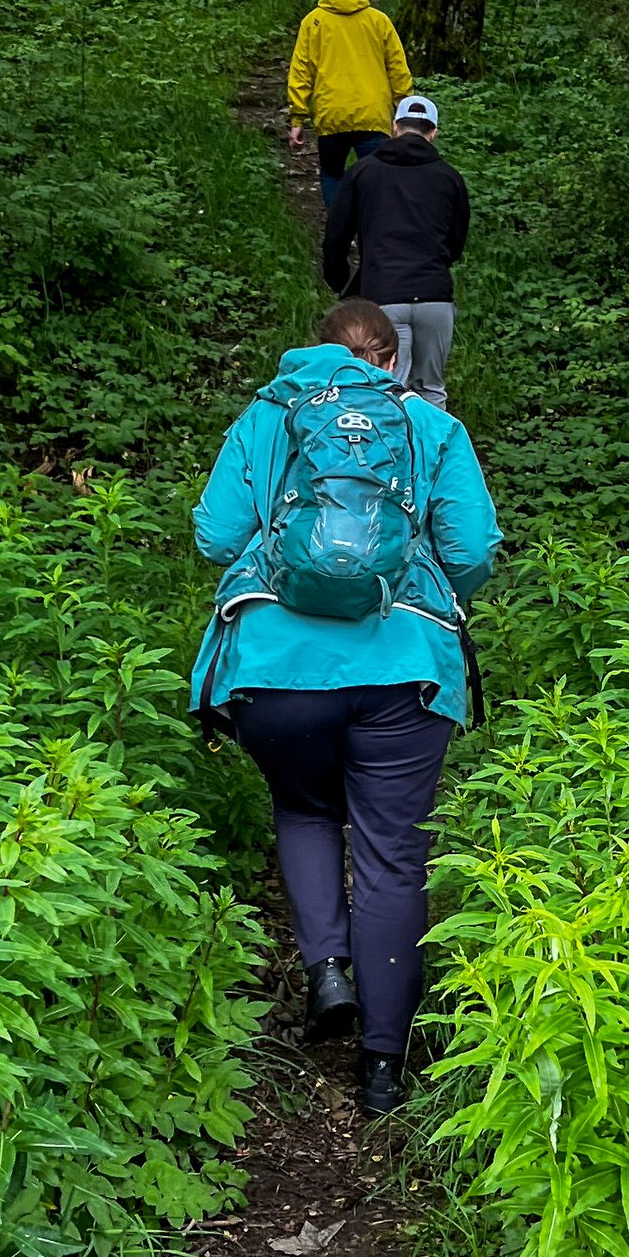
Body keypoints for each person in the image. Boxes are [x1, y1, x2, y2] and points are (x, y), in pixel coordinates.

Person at [190, 299, 500, 1118]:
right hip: (404, 669)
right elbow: (471, 549)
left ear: (313, 352)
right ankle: (384, 1067)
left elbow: (219, 536)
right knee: (394, 852)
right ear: (394, 362)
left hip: (274, 671)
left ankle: (328, 969)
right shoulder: (429, 426)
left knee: (302, 807)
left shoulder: (270, 411)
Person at [321, 93, 469, 410]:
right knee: (431, 390)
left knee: (385, 390)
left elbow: (335, 236)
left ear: (394, 128)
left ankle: (386, 457)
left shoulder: (363, 172)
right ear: (433, 133)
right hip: (434, 297)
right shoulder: (449, 177)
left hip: (383, 295)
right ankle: (430, 457)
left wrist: (341, 282)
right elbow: (456, 243)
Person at [286, 0, 413, 213]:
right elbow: (398, 70)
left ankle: (338, 230)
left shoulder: (313, 22)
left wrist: (297, 120)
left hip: (331, 116)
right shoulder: (379, 21)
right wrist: (404, 114)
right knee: (378, 181)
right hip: (373, 116)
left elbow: (301, 72)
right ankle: (372, 231)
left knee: (332, 175)